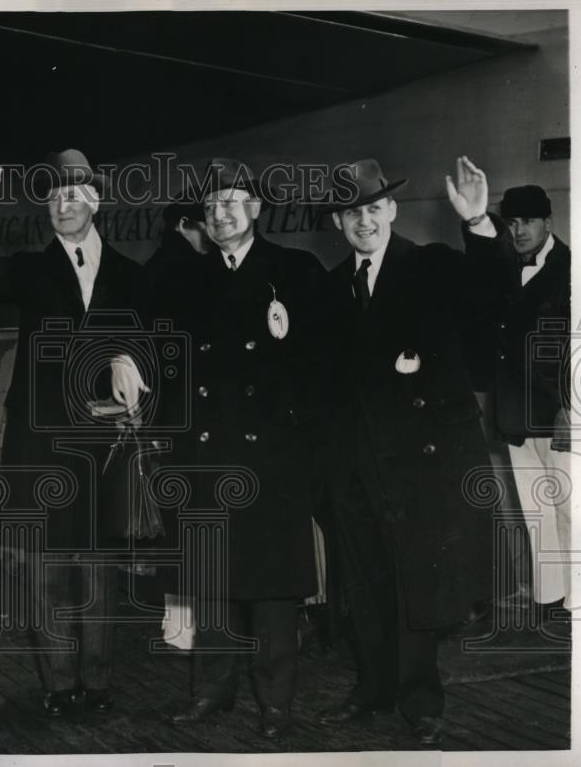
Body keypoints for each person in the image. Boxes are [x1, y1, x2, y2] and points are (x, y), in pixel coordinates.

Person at [0, 149, 152, 719]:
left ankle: (97, 686)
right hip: (39, 446)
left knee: (97, 572)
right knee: (43, 572)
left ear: (95, 201)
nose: (62, 204)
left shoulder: (130, 276)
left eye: (74, 194)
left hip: (104, 449)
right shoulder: (28, 268)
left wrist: (124, 354)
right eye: (54, 196)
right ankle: (60, 685)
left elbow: (148, 349)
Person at [316, 158, 495, 745]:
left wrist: (478, 225)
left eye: (373, 208)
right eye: (352, 212)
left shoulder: (433, 267)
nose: (363, 221)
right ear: (340, 221)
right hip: (355, 463)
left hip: (420, 461)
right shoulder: (332, 284)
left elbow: (489, 306)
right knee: (363, 582)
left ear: (391, 209)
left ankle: (420, 698)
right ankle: (373, 687)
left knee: (416, 580)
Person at [161, 158, 327, 740]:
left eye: (231, 201)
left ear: (256, 208)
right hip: (206, 455)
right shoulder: (188, 277)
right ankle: (212, 692)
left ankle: (275, 703)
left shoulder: (294, 270)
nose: (219, 213)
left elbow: (319, 369)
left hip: (272, 457)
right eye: (210, 207)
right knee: (212, 584)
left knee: (273, 591)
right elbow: (169, 359)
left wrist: (299, 441)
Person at [447, 159, 574, 616]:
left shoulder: (573, 268)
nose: (519, 231)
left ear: (548, 222)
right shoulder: (504, 267)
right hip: (517, 413)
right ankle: (550, 596)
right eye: (513, 222)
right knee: (535, 512)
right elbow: (481, 264)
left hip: (561, 413)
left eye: (528, 222)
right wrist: (477, 221)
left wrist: (571, 408)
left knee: (570, 510)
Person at [145, 198, 214, 289]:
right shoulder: (175, 272)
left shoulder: (159, 265)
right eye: (209, 223)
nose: (216, 232)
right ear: (184, 225)